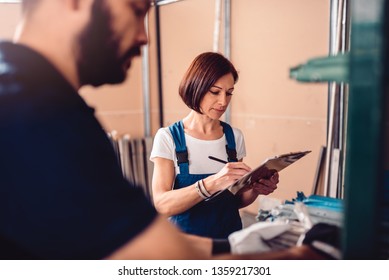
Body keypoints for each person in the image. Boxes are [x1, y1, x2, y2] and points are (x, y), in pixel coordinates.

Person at [0, 0, 328, 260]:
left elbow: (134, 240)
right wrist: (297, 257)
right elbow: (150, 252)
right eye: (136, 9)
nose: (145, 36)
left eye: (228, 93)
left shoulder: (36, 99)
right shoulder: (37, 115)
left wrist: (242, 237)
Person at [150, 52, 279, 238]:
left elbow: (235, 201)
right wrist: (213, 183)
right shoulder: (168, 137)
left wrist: (255, 190)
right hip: (187, 248)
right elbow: (162, 205)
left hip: (228, 241)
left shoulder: (234, 137)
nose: (223, 102)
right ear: (196, 87)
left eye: (229, 93)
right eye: (215, 92)